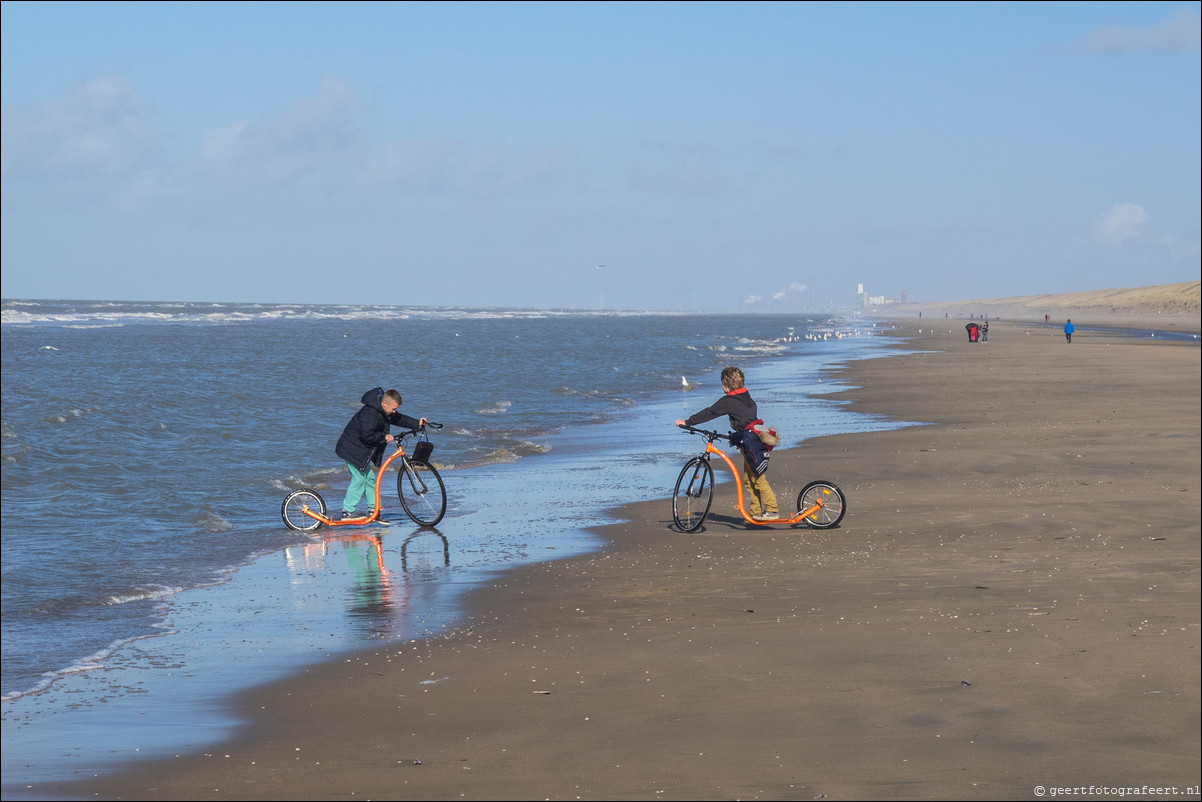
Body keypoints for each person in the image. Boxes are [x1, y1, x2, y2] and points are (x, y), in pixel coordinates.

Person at [675, 366, 777, 521]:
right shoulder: (745, 395)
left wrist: (688, 422)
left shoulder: (729, 401)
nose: (721, 387)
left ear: (727, 385)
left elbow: (710, 412)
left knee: (758, 478)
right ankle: (756, 513)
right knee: (749, 479)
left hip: (750, 442)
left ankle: (772, 510)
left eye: (722, 384)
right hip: (753, 437)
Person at [336, 388, 426, 521]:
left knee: (370, 479)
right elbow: (366, 435)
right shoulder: (370, 413)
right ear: (384, 404)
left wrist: (416, 423)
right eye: (393, 408)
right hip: (351, 449)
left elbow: (399, 419)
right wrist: (383, 437)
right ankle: (347, 512)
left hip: (360, 451)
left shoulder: (384, 411)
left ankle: (374, 510)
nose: (394, 411)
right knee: (359, 480)